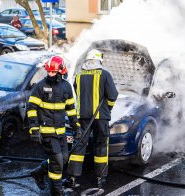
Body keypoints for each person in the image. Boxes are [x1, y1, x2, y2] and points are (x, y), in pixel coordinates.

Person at [27, 56, 82, 196]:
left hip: (61, 132)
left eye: (53, 72)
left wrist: (76, 127)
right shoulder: (40, 86)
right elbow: (31, 108)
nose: (50, 74)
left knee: (63, 159)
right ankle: (57, 192)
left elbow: (70, 109)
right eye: (49, 72)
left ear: (61, 71)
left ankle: (38, 173)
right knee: (57, 161)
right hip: (47, 132)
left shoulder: (66, 87)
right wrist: (34, 130)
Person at [63, 49, 118, 188]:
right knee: (100, 145)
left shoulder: (79, 75)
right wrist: (107, 108)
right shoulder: (105, 74)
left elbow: (77, 93)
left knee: (79, 145)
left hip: (82, 117)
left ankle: (72, 178)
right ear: (99, 61)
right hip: (101, 118)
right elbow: (112, 96)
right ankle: (100, 178)